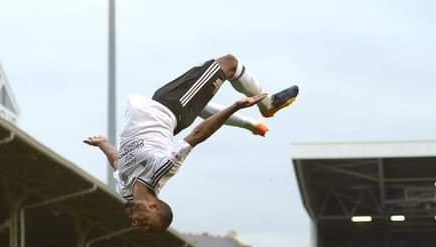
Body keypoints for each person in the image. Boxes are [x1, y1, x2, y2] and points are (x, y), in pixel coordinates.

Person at [85, 54, 298, 232]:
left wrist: (103, 143)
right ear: (153, 206)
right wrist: (235, 107)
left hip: (160, 104)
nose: (137, 225)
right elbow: (197, 134)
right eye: (146, 223)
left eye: (141, 227)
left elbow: (118, 163)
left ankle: (251, 124)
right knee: (229, 64)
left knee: (200, 103)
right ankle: (268, 106)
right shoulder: (162, 170)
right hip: (172, 108)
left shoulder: (125, 190)